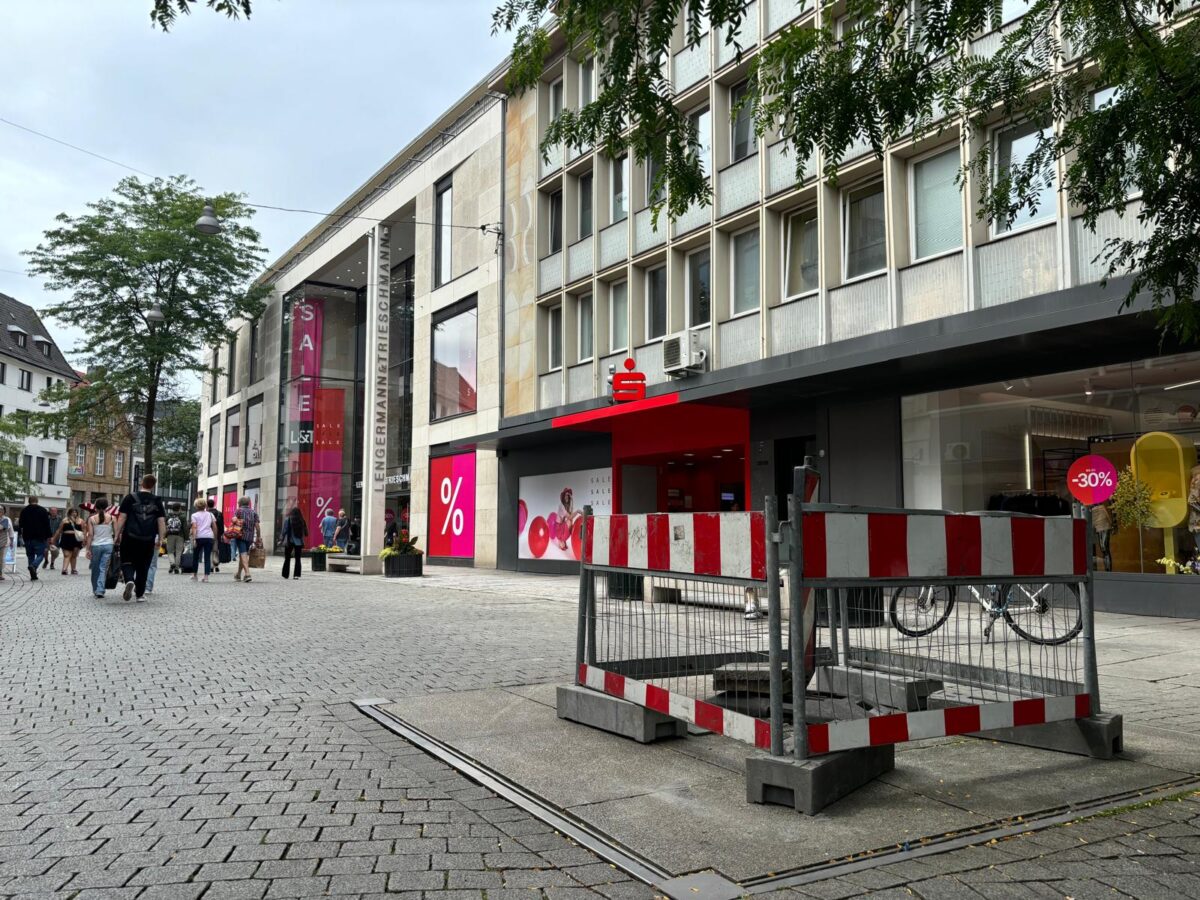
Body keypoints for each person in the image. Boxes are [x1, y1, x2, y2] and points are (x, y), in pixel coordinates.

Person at [114, 475, 167, 602]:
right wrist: (160, 538)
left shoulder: (130, 498)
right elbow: (161, 521)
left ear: (141, 483)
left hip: (130, 536)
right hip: (148, 538)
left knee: (126, 560)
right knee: (144, 566)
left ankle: (129, 580)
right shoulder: (157, 500)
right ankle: (139, 594)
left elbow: (122, 517)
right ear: (153, 486)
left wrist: (117, 535)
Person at [85, 499, 115, 599]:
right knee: (103, 568)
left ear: (96, 507)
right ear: (107, 507)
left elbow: (90, 535)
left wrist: (87, 549)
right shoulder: (112, 518)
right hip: (108, 545)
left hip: (96, 545)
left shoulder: (91, 519)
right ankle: (100, 590)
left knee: (95, 568)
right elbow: (117, 534)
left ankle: (95, 589)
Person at [17, 496, 53, 581]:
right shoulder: (43, 511)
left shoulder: (24, 511)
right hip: (40, 537)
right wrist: (49, 536)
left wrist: (21, 535)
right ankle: (34, 566)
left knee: (30, 556)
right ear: (37, 501)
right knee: (41, 554)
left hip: (28, 537)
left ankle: (33, 574)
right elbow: (47, 525)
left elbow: (21, 525)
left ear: (29, 501)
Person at [230, 496, 261, 583]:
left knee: (243, 554)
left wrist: (233, 520)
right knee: (243, 555)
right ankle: (238, 574)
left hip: (240, 536)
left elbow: (233, 520)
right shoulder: (253, 512)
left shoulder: (238, 511)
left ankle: (247, 574)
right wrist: (258, 537)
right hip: (250, 537)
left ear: (240, 503)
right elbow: (257, 527)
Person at [52, 508, 85, 576]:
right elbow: (59, 530)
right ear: (69, 513)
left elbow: (84, 530)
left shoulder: (81, 521)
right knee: (67, 555)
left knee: (74, 555)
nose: (74, 513)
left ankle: (73, 569)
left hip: (76, 540)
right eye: (72, 512)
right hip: (66, 539)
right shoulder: (64, 520)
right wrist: (54, 539)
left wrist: (85, 540)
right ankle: (64, 569)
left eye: (75, 512)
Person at [190, 498, 217, 582]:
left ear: (196, 506)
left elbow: (194, 527)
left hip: (198, 537)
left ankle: (195, 575)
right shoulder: (210, 514)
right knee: (207, 557)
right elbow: (214, 526)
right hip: (209, 537)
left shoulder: (194, 515)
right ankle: (206, 577)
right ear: (205, 505)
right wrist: (215, 537)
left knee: (196, 556)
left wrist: (194, 539)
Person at [280, 507, 307, 580]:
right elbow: (304, 532)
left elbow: (284, 531)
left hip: (289, 541)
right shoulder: (302, 520)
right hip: (299, 542)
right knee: (298, 559)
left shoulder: (288, 519)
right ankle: (296, 575)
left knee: (287, 558)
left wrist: (281, 539)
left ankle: (285, 574)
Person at [164, 504, 186, 573]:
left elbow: (165, 526)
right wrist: (186, 537)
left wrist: (164, 535)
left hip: (170, 535)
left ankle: (172, 563)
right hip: (180, 536)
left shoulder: (168, 516)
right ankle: (176, 567)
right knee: (178, 552)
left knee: (170, 551)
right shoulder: (183, 516)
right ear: (179, 508)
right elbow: (185, 528)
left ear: (172, 509)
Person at [207, 497, 225, 572]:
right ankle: (216, 564)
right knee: (216, 549)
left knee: (209, 550)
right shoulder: (219, 513)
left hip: (208, 533)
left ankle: (211, 565)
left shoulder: (206, 513)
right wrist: (221, 533)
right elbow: (221, 524)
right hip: (217, 534)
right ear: (214, 504)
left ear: (207, 505)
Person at [0, 507, 14, 581]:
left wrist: (12, 541)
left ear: (3, 512)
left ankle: (1, 574)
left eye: (1, 511)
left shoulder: (6, 520)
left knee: (2, 559)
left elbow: (11, 531)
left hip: (4, 542)